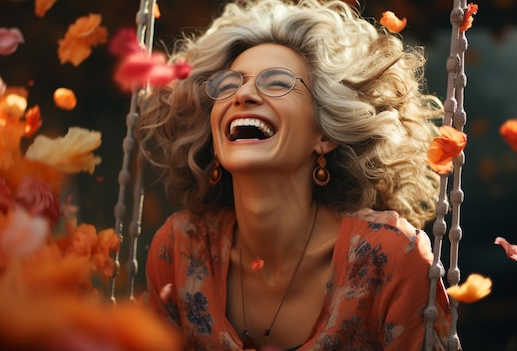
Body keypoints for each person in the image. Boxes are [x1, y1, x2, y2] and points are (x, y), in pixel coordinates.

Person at [139, 0, 453, 350]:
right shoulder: (180, 249)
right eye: (228, 84)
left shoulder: (394, 257)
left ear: (325, 134)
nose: (242, 95)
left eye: (277, 82)